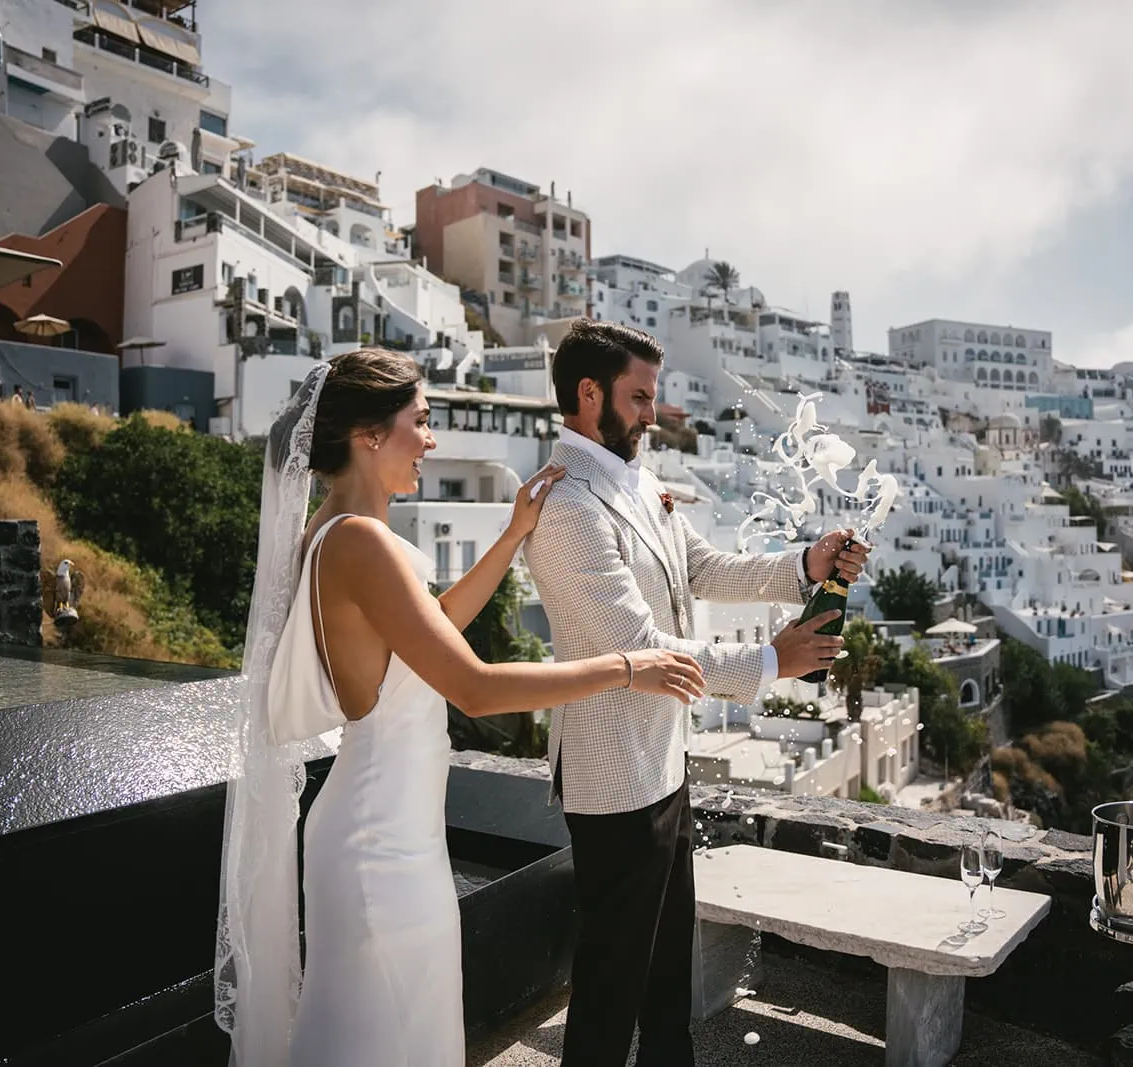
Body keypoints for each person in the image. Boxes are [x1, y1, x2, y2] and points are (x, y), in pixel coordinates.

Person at [214, 348, 706, 1067]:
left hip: (384, 828)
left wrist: (511, 535)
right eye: (421, 420)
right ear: (369, 435)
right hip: (381, 847)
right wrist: (628, 666)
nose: (432, 438)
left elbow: (434, 626)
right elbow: (471, 685)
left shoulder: (335, 532)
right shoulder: (360, 542)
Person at [524, 320, 869, 1066]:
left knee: (666, 971)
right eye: (640, 396)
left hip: (665, 762)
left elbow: (706, 570)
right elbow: (640, 643)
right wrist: (771, 661)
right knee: (612, 981)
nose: (654, 413)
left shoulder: (637, 480)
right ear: (589, 394)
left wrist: (806, 564)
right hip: (611, 773)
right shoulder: (565, 507)